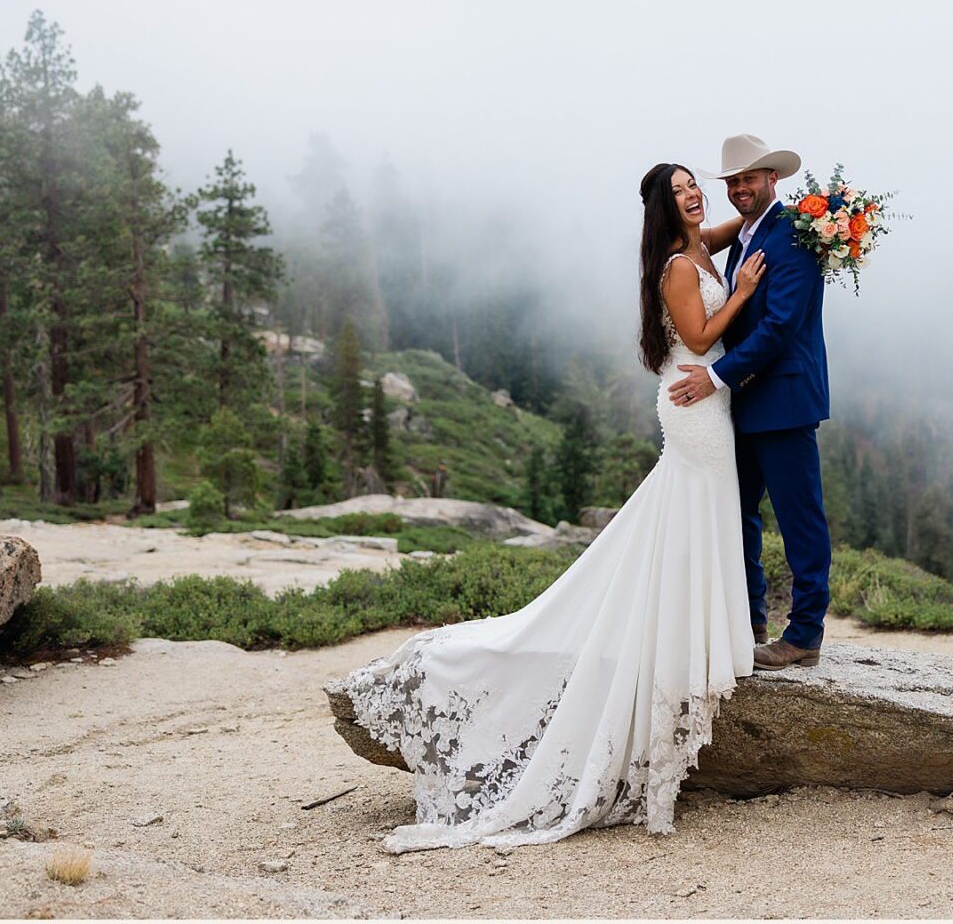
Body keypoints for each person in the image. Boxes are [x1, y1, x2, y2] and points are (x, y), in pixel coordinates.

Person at [339, 162, 767, 852]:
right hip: (693, 401)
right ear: (666, 205)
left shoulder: (698, 245)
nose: (696, 193)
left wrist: (794, 212)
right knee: (688, 512)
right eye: (682, 188)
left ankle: (701, 633)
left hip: (707, 404)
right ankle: (682, 640)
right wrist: (744, 291)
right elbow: (695, 337)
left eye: (697, 184)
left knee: (691, 517)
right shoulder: (678, 268)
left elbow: (739, 224)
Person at [667, 134, 833, 671]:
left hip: (783, 399)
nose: (740, 188)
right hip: (743, 402)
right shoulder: (742, 237)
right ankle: (748, 619)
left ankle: (805, 634)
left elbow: (781, 326)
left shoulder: (797, 237)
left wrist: (714, 376)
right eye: (732, 181)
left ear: (772, 179)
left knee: (798, 518)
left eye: (748, 178)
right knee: (737, 514)